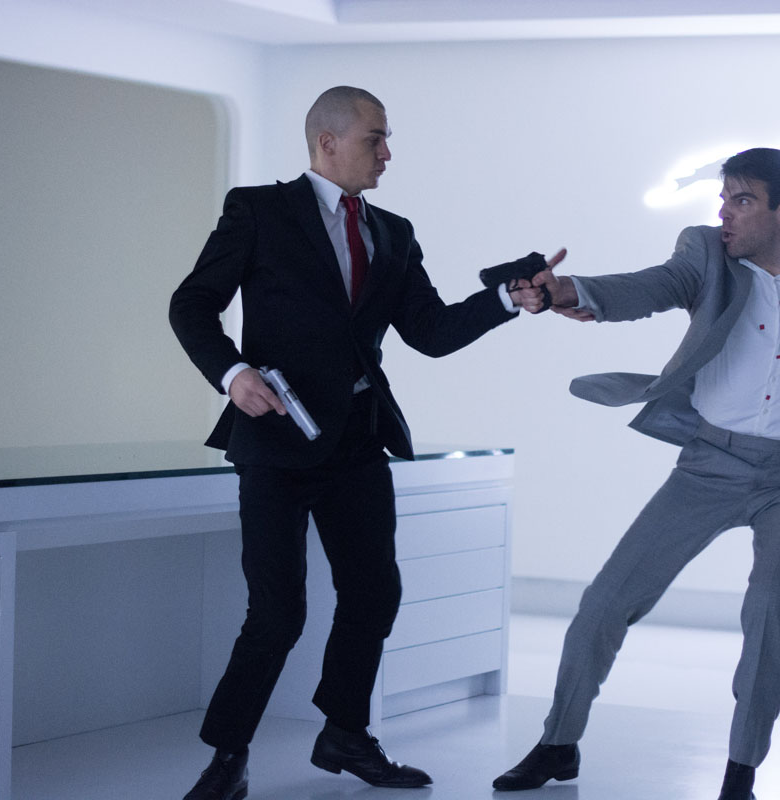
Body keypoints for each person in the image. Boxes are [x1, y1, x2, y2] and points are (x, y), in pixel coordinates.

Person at [491, 148, 780, 800]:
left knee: (768, 609)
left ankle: (739, 774)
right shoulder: (706, 254)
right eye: (723, 199)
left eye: (742, 201)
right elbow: (647, 287)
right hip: (709, 464)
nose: (725, 213)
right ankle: (558, 745)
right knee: (604, 603)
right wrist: (566, 291)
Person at [170, 85, 560, 800]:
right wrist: (232, 373)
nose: (386, 154)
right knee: (277, 613)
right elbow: (191, 303)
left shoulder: (394, 233)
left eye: (387, 140)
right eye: (374, 139)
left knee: (375, 593)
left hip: (357, 440)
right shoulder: (259, 211)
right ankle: (228, 757)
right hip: (275, 440)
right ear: (328, 142)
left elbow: (431, 333)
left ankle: (345, 733)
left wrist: (509, 297)